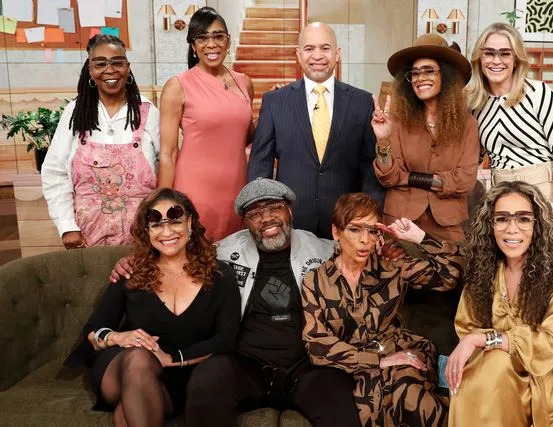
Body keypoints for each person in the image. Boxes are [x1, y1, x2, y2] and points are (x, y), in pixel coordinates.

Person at [109, 179, 394, 426]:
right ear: (245, 222)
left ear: (289, 210)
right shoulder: (223, 251)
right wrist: (132, 261)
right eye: (255, 213)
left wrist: (381, 248)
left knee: (340, 407)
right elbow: (176, 253)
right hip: (246, 364)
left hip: (309, 364)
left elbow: (362, 249)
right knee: (206, 383)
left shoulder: (323, 249)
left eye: (274, 208)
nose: (266, 218)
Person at [64, 188, 241, 425]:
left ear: (189, 223)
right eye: (156, 225)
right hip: (124, 366)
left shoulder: (220, 275)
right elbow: (95, 328)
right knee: (138, 359)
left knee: (126, 413)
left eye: (175, 221)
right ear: (147, 232)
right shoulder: (131, 273)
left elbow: (226, 338)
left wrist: (171, 358)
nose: (166, 232)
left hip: (184, 371)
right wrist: (117, 337)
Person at [301, 192, 464, 426]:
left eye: (372, 230)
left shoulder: (391, 266)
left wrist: (419, 237)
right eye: (355, 229)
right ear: (336, 232)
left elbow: (452, 275)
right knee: (368, 406)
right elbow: (315, 343)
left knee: (407, 390)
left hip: (402, 350)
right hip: (357, 365)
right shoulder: (315, 281)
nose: (365, 240)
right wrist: (377, 361)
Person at [446, 181, 553, 426]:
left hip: (539, 371)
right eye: (502, 219)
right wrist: (486, 343)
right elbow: (468, 325)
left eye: (524, 219)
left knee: (493, 367)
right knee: (483, 369)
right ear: (491, 224)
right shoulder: (483, 266)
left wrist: (483, 339)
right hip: (490, 363)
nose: (512, 229)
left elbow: (549, 342)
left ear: (538, 225)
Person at [248, 22, 384, 239]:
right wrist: (262, 214)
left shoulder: (362, 101)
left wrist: (369, 218)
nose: (317, 56)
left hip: (346, 223)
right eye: (309, 49)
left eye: (325, 48)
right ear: (298, 55)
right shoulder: (275, 101)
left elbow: (369, 167)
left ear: (337, 54)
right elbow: (260, 164)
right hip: (290, 221)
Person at [42, 34, 160, 249]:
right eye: (100, 64)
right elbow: (54, 171)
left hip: (142, 236)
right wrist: (67, 225)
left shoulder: (148, 112)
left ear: (127, 67)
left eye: (117, 62)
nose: (110, 70)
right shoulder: (75, 112)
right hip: (85, 237)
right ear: (90, 70)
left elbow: (168, 166)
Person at [466, 23, 553, 252]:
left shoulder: (539, 94)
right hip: (500, 194)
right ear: (479, 58)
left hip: (543, 191)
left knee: (547, 267)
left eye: (505, 53)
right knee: (506, 268)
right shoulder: (476, 104)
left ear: (516, 59)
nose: (496, 61)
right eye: (489, 53)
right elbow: (472, 157)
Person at [373, 34, 480, 242]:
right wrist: (383, 141)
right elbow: (389, 176)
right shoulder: (396, 120)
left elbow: (465, 180)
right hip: (400, 219)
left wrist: (409, 177)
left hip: (448, 223)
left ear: (446, 76)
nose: (420, 78)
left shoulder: (468, 124)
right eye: (414, 73)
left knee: (453, 271)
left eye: (429, 71)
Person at [159, 7, 254, 241]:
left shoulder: (244, 83)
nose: (211, 44)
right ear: (193, 45)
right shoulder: (177, 86)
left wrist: (277, 107)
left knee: (232, 262)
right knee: (194, 260)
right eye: (202, 37)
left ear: (228, 41)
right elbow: (168, 152)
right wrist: (162, 203)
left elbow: (246, 136)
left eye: (218, 36)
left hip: (236, 191)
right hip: (195, 191)